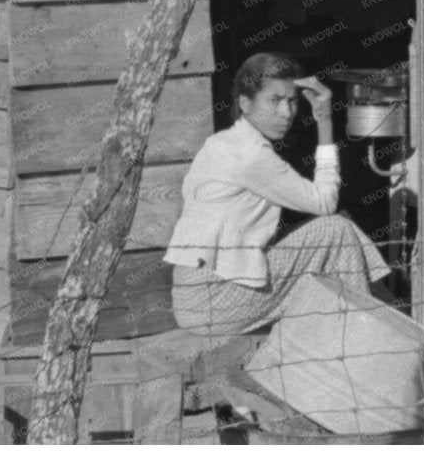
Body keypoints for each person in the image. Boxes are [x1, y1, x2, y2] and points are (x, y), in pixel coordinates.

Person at [164, 52, 390, 339]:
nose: (287, 112)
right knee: (335, 229)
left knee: (327, 231)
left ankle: (369, 318)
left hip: (195, 298)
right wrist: (324, 121)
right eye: (275, 100)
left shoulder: (222, 142)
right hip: (213, 302)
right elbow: (324, 202)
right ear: (246, 104)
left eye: (292, 100)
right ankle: (363, 334)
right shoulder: (250, 156)